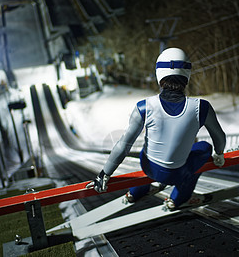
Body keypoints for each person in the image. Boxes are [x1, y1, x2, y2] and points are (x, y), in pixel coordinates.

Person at [88, 47, 226, 209]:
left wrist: (105, 174)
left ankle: (137, 191)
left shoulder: (144, 107)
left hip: (149, 167)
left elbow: (123, 145)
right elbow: (219, 137)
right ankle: (179, 198)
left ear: (159, 74)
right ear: (187, 75)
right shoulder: (202, 107)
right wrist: (219, 154)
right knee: (204, 148)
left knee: (148, 149)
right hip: (178, 173)